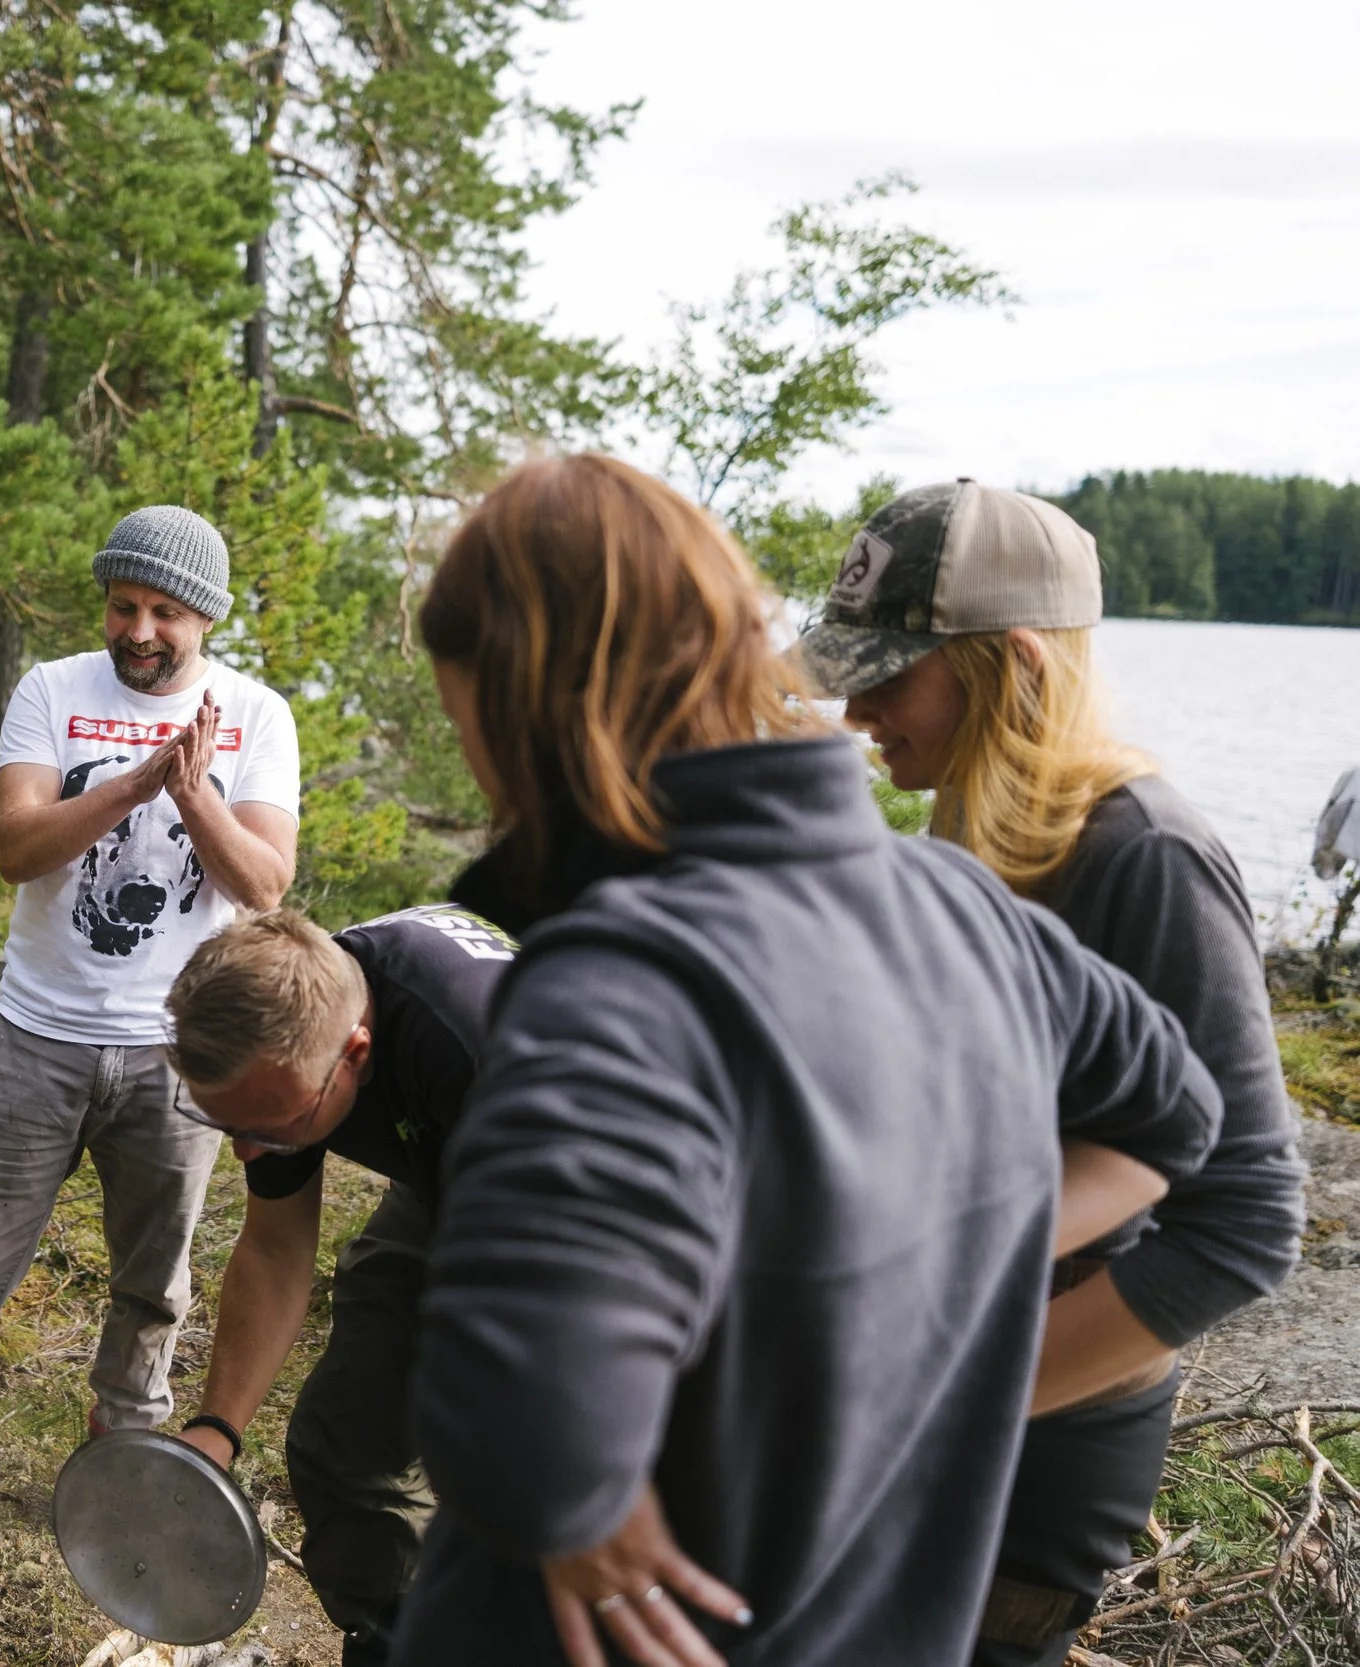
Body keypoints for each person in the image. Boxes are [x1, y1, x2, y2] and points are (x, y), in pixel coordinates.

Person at [396, 453, 1224, 1667]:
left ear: (515, 698)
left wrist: (572, 1490)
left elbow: (526, 1441)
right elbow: (1174, 1115)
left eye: (455, 701)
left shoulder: (616, 985)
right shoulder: (962, 905)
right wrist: (916, 1278)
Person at [799, 479, 1308, 1666]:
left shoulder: (1145, 857)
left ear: (1013, 664)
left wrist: (953, 1402)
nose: (855, 710)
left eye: (887, 673)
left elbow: (1241, 1219)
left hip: (1030, 1449)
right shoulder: (970, 833)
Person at [0, 505, 302, 1552]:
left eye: (162, 612)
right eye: (121, 604)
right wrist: (142, 779)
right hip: (35, 1035)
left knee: (154, 1284)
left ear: (205, 618)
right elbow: (16, 846)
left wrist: (193, 797)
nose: (137, 630)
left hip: (181, 1054)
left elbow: (268, 884)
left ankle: (122, 1474)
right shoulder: (52, 689)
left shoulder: (257, 716)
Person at [160, 904, 516, 1666]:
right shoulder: (286, 1040)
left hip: (644, 1200)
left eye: (276, 1124)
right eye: (232, 1124)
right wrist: (215, 1431)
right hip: (452, 1169)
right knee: (350, 1438)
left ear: (356, 1052)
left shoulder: (480, 1047)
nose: (253, 1147)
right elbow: (276, 1246)